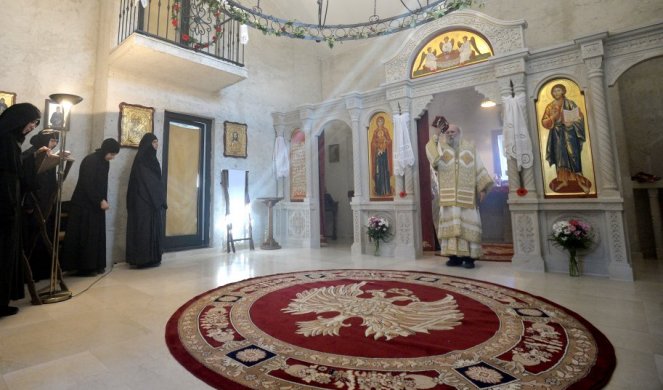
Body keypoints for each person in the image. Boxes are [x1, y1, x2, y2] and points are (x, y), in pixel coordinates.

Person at [426, 122, 493, 269]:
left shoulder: (470, 148)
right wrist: (436, 136)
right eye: (448, 132)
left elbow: (479, 167)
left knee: (468, 226)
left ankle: (470, 258)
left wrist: (482, 188)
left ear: (459, 132)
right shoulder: (441, 150)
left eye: (453, 132)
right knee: (451, 228)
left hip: (467, 196)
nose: (450, 134)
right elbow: (432, 157)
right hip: (448, 196)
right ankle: (453, 257)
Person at [0, 103, 41, 317]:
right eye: (32, 122)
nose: (33, 127)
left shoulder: (12, 141)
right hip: (4, 208)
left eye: (36, 124)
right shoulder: (5, 141)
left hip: (9, 205)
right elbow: (7, 176)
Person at [61, 138, 120, 276]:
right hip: (84, 205)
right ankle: (84, 267)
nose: (112, 157)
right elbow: (87, 184)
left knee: (94, 236)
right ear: (106, 150)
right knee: (85, 236)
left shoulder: (104, 162)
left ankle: (95, 265)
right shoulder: (91, 160)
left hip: (95, 205)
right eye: (111, 154)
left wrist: (103, 200)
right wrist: (99, 200)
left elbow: (102, 184)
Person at [21, 131, 59, 281]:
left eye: (56, 141)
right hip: (33, 204)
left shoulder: (50, 154)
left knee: (45, 237)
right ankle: (30, 274)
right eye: (52, 140)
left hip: (46, 204)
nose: (54, 143)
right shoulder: (30, 154)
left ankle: (44, 272)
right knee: (32, 237)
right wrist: (29, 204)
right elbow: (26, 180)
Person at [126, 133, 167, 268]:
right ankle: (142, 260)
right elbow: (148, 181)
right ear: (148, 144)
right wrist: (158, 198)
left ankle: (153, 258)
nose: (156, 145)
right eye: (154, 142)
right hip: (143, 201)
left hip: (152, 201)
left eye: (157, 142)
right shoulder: (142, 160)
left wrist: (160, 197)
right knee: (143, 230)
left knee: (152, 230)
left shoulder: (152, 159)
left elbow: (157, 181)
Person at [541, 83, 590, 193]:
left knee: (573, 156)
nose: (556, 93)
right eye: (554, 91)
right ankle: (563, 181)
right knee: (560, 157)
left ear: (563, 91)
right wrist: (553, 117)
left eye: (558, 90)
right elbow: (544, 122)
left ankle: (580, 182)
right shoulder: (550, 106)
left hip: (570, 133)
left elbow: (580, 116)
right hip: (556, 133)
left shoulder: (570, 103)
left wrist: (572, 122)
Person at [370, 115, 393, 197]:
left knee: (385, 170)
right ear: (377, 123)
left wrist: (384, 144)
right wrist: (377, 147)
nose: (380, 123)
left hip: (384, 154)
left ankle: (386, 190)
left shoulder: (386, 130)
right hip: (378, 155)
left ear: (383, 122)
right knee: (378, 171)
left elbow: (390, 141)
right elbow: (372, 143)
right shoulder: (375, 131)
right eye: (379, 121)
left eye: (381, 121)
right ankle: (379, 190)